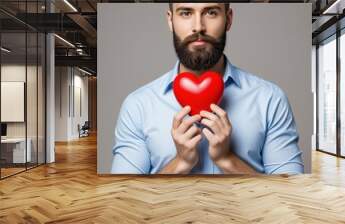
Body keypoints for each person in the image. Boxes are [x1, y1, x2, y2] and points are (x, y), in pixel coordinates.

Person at [111, 3, 304, 174]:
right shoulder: (137, 105)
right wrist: (180, 163)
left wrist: (227, 160)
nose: (198, 27)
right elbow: (123, 197)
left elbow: (290, 195)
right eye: (186, 13)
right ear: (170, 20)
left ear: (228, 19)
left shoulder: (270, 99)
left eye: (211, 12)